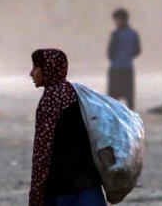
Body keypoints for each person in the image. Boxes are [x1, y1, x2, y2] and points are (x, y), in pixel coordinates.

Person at [28, 48, 106, 206]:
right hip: (88, 183)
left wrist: (36, 195)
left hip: (62, 186)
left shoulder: (50, 100)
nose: (31, 73)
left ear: (48, 69)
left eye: (36, 67)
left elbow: (42, 151)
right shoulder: (75, 93)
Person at [106, 8, 141, 109]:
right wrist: (128, 56)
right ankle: (132, 116)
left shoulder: (116, 34)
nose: (115, 22)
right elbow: (137, 51)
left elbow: (110, 52)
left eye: (116, 20)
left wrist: (116, 57)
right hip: (128, 68)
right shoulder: (134, 33)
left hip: (116, 68)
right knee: (129, 95)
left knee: (113, 96)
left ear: (120, 19)